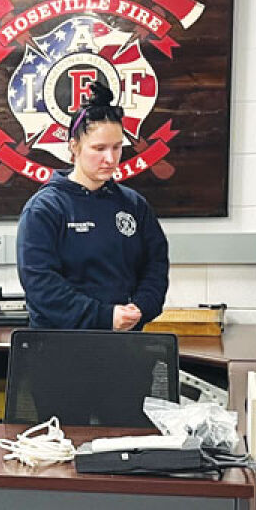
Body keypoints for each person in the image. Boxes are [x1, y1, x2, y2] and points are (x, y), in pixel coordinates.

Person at [17, 81, 168, 330]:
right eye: (99, 148)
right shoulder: (45, 209)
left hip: (125, 339)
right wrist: (105, 316)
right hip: (61, 344)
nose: (110, 158)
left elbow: (156, 265)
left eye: (117, 147)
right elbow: (41, 285)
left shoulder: (133, 205)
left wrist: (141, 307)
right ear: (74, 146)